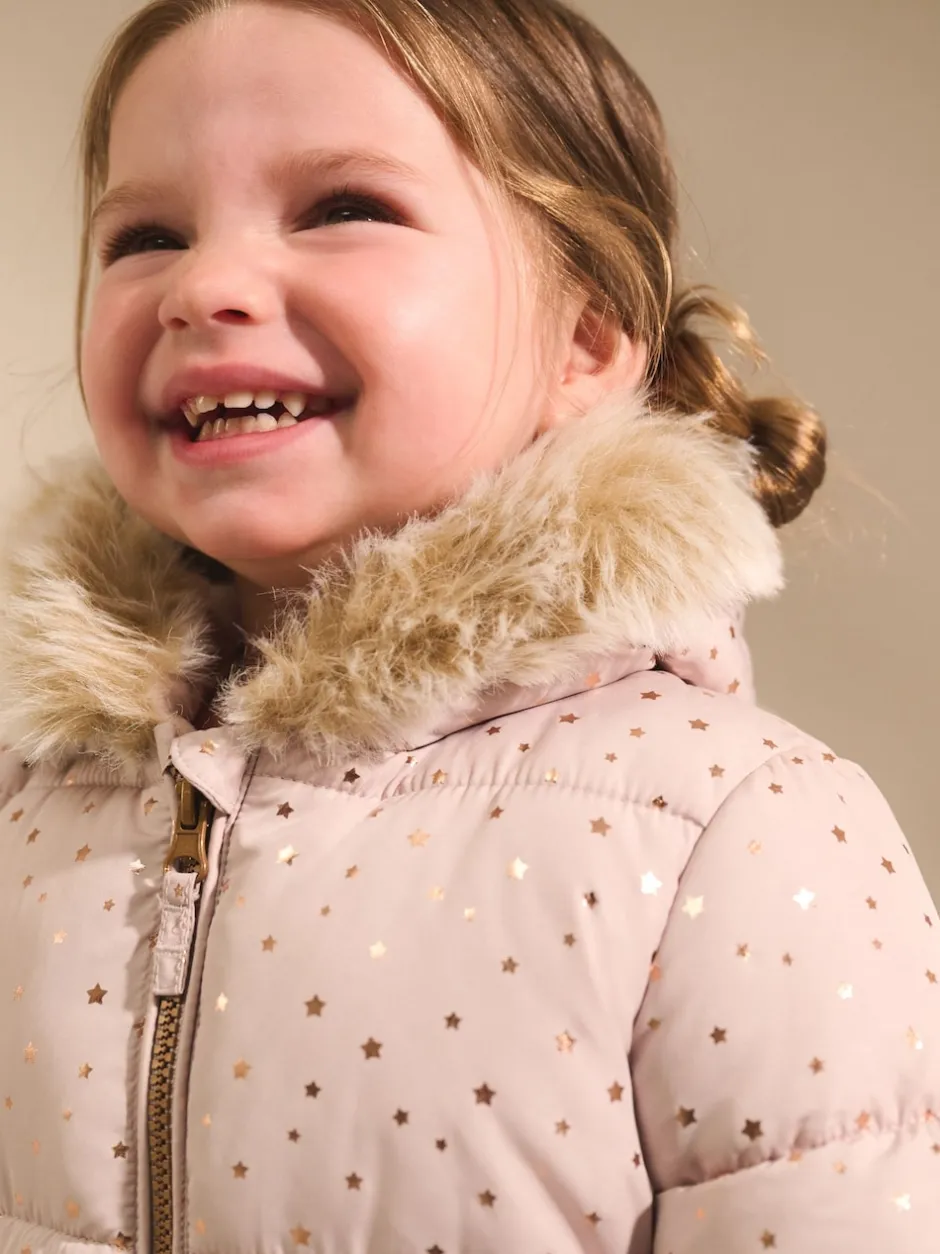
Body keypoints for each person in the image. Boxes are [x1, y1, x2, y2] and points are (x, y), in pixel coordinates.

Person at [1, 0, 937, 1250]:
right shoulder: (24, 799)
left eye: (342, 208)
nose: (203, 285)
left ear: (586, 339)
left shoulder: (735, 830)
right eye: (147, 235)